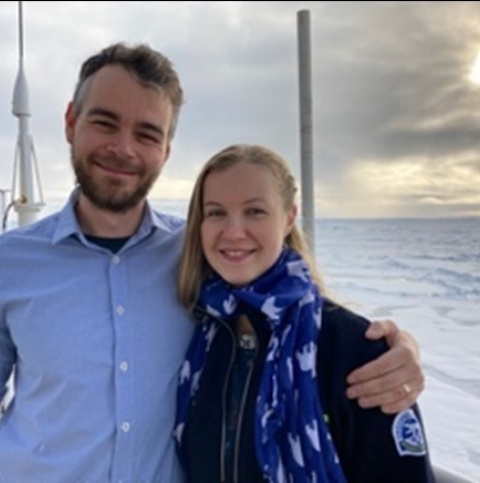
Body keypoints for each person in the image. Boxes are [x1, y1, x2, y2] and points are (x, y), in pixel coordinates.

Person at [0, 42, 423, 482]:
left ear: (165, 150)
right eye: (105, 123)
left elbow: (287, 306)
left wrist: (397, 347)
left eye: (147, 134)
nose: (123, 148)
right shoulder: (9, 262)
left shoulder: (200, 255)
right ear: (71, 122)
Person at [174, 144, 435, 481]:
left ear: (289, 218)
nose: (234, 232)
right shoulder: (203, 330)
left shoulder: (357, 349)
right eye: (216, 212)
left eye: (255, 211)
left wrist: (407, 347)